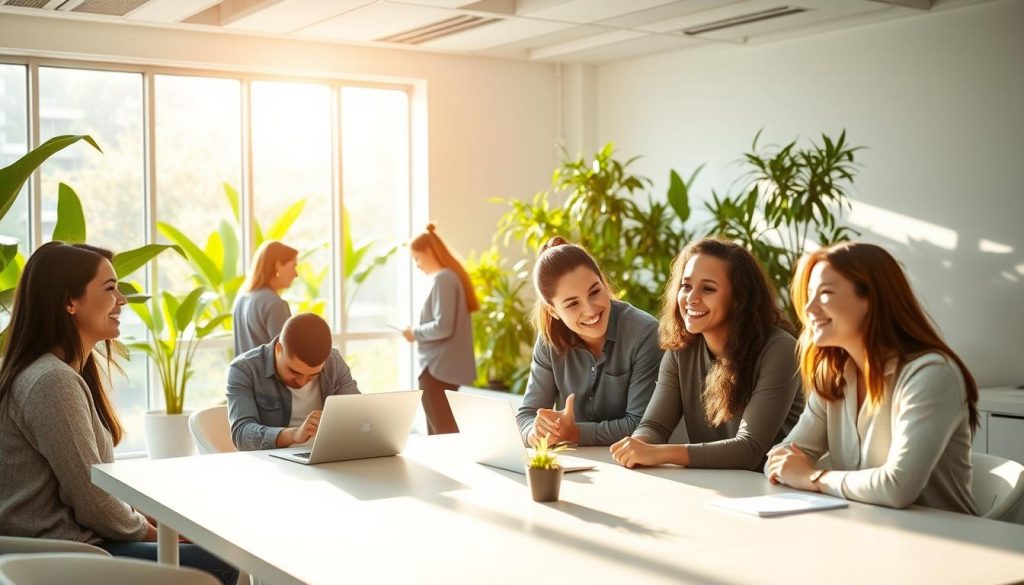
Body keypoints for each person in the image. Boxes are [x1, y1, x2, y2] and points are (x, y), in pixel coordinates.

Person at [0, 242, 237, 585]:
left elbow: (96, 490)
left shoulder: (55, 373)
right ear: (70, 302)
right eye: (110, 289)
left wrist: (156, 523)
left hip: (64, 547)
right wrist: (157, 533)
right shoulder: (52, 381)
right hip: (64, 555)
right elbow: (92, 499)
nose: (122, 300)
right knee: (223, 559)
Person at [765, 242, 978, 514]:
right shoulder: (834, 375)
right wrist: (792, 468)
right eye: (808, 295)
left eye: (825, 293)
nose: (809, 308)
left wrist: (812, 477)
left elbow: (897, 487)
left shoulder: (931, 375)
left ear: (873, 300)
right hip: (870, 531)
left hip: (951, 543)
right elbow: (781, 459)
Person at [611, 238, 803, 470]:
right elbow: (655, 426)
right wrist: (638, 445)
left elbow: (749, 450)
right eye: (686, 286)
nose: (691, 298)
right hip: (711, 484)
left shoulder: (780, 350)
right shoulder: (681, 349)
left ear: (739, 299)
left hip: (772, 492)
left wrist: (659, 453)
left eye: (708, 289)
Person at [516, 237, 662, 447]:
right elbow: (527, 415)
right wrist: (535, 432)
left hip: (637, 467)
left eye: (595, 292)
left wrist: (574, 433)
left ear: (603, 283)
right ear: (553, 311)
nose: (591, 310)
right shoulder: (549, 340)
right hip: (578, 465)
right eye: (572, 303)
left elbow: (642, 424)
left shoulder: (644, 333)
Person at [227, 312, 360, 450]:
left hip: (328, 454)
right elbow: (241, 434)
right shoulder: (244, 369)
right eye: (294, 372)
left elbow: (357, 412)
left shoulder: (334, 361)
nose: (302, 382)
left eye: (313, 375)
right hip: (275, 461)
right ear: (279, 349)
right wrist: (294, 434)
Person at [402, 223, 478, 435]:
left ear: (428, 251)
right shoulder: (450, 277)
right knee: (444, 431)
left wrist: (414, 333)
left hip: (436, 369)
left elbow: (443, 327)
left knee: (442, 433)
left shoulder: (444, 278)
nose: (417, 265)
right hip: (442, 369)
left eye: (416, 258)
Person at [233, 240, 298, 356]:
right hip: (265, 375)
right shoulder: (275, 304)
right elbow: (286, 356)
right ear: (278, 266)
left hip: (242, 374)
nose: (296, 274)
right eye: (293, 266)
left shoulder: (241, 299)